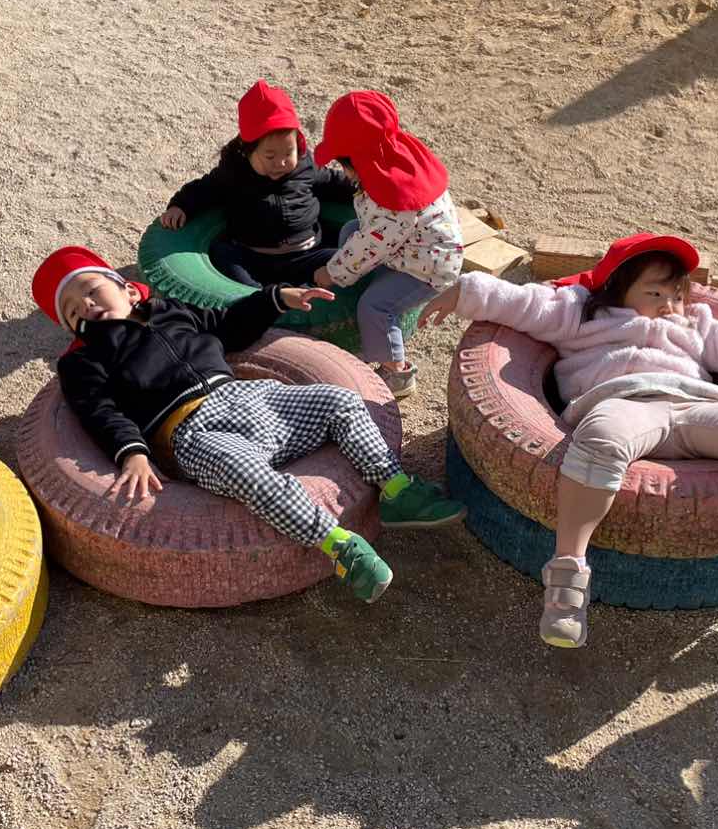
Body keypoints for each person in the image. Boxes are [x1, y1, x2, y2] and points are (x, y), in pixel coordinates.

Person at [421, 232, 718, 650]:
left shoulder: (696, 326)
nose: (669, 305)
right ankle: (567, 577)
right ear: (617, 288)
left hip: (696, 407)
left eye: (676, 295)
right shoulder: (581, 313)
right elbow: (523, 304)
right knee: (599, 439)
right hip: (624, 403)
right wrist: (464, 292)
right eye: (655, 294)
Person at [31, 246, 466, 603]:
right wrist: (133, 452)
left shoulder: (171, 311)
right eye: (72, 312)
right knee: (247, 473)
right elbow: (100, 411)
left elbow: (228, 326)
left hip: (250, 398)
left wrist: (274, 299)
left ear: (128, 290)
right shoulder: (84, 361)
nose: (85, 306)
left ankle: (396, 490)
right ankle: (339, 546)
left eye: (90, 291)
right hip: (192, 432)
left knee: (340, 401)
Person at [311, 90, 462, 400]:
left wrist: (332, 272)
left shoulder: (392, 203)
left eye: (344, 165)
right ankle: (355, 287)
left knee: (375, 306)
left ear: (359, 161)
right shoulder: (393, 161)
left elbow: (371, 245)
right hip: (416, 247)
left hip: (428, 268)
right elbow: (368, 235)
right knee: (351, 229)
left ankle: (397, 372)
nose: (344, 172)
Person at [159, 80, 356, 289]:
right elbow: (205, 188)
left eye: (288, 153)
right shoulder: (234, 172)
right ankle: (257, 296)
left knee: (341, 261)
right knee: (222, 253)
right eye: (270, 156)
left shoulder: (305, 166)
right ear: (248, 151)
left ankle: (303, 294)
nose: (281, 162)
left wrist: (366, 188)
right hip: (253, 257)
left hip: (306, 254)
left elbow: (335, 182)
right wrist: (180, 205)